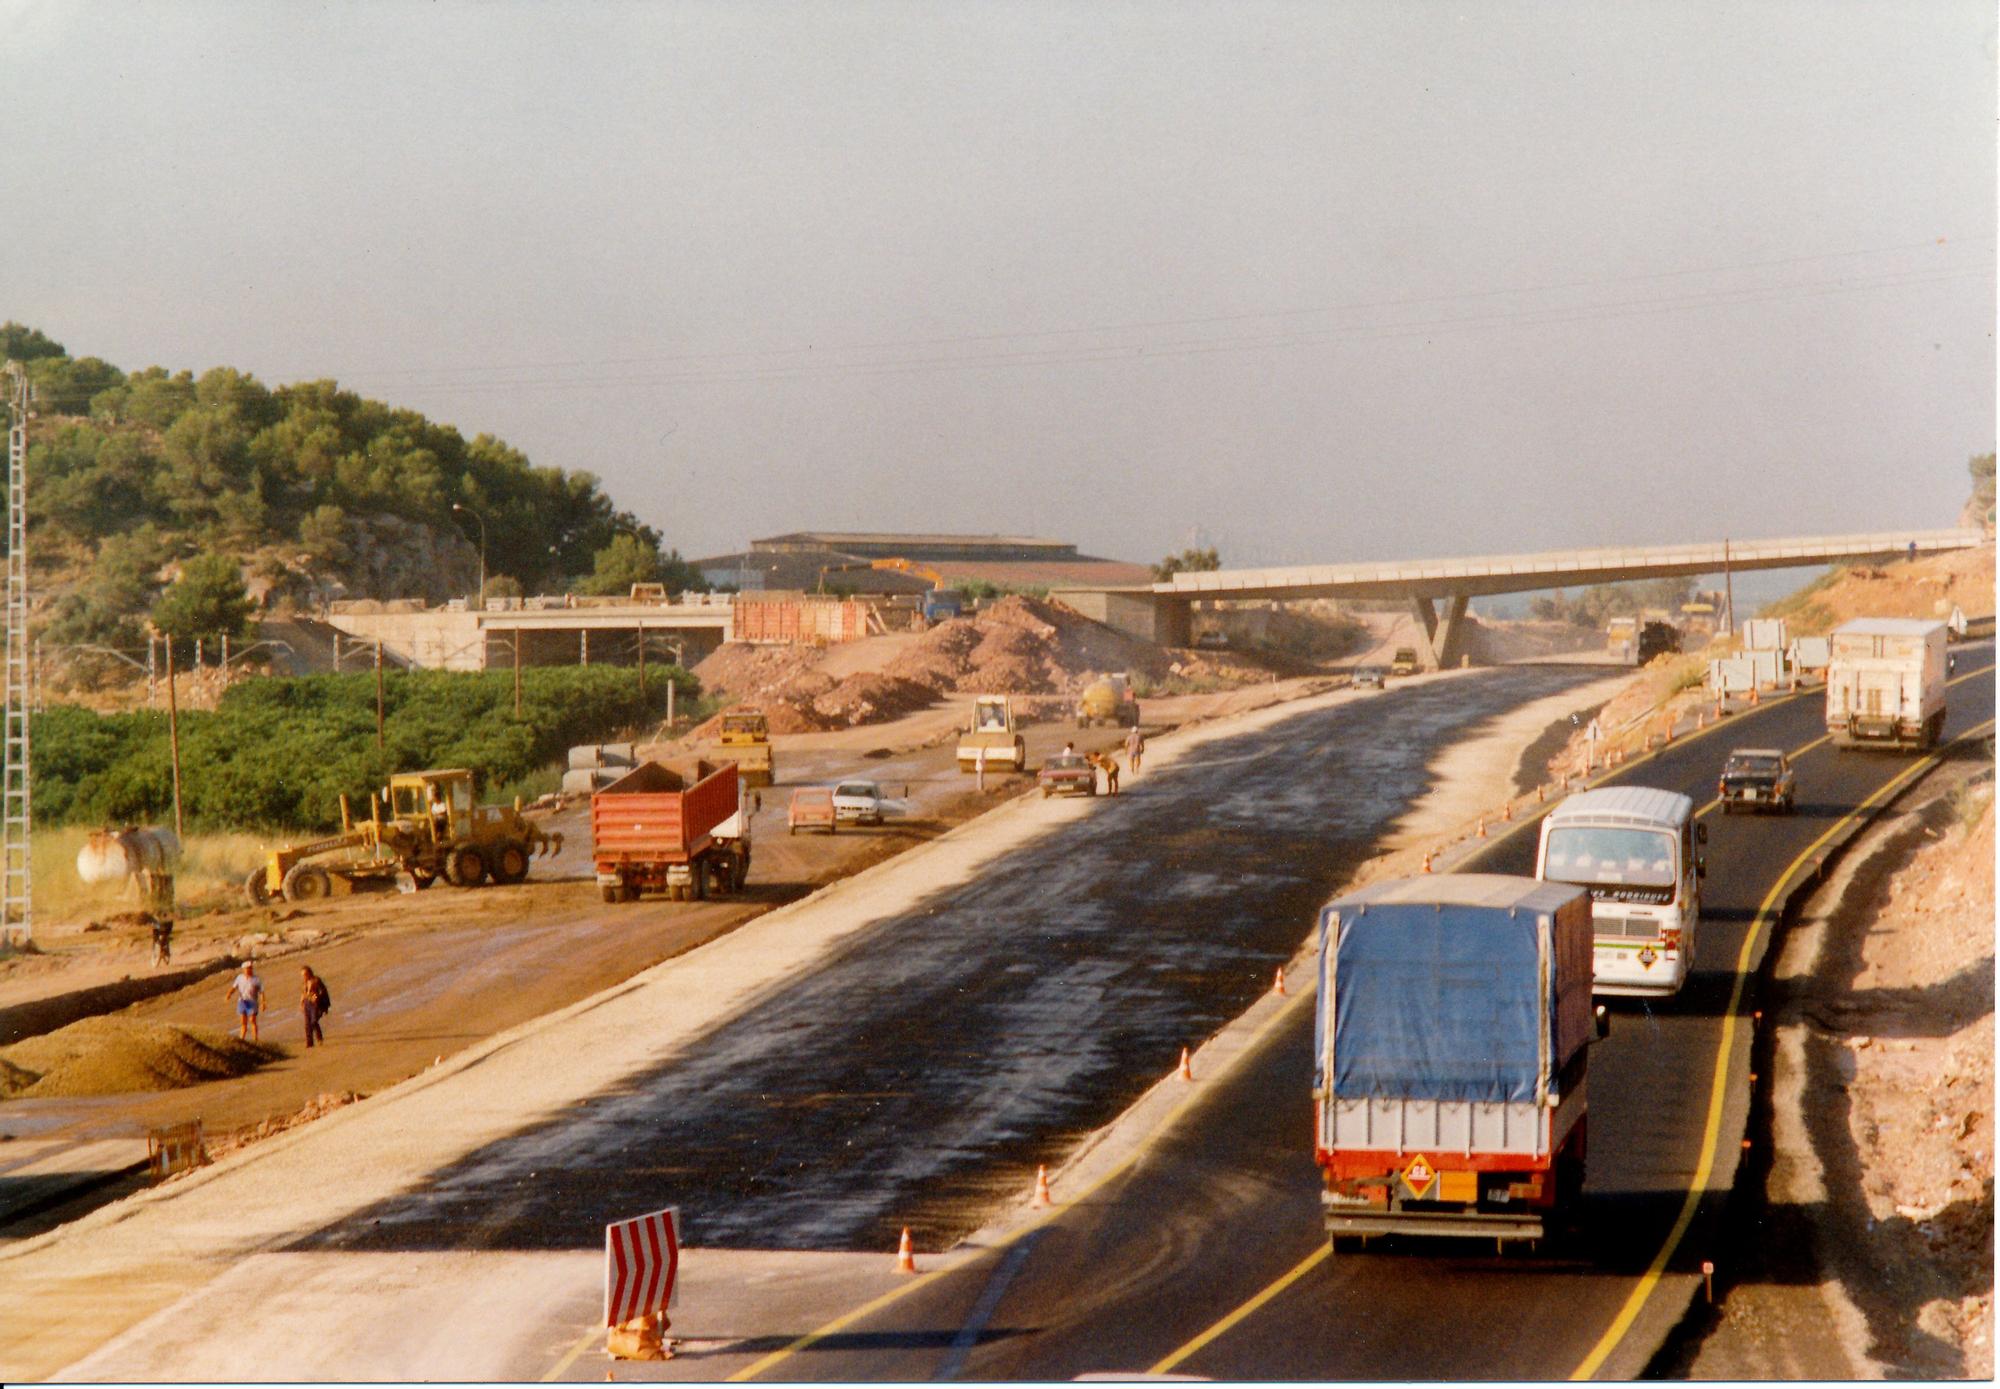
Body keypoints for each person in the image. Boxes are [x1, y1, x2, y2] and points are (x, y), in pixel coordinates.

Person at [225, 961, 264, 1042]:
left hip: (252, 1001)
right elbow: (234, 987)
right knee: (243, 1022)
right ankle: (242, 1039)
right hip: (242, 1001)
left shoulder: (256, 979)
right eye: (247, 968)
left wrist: (263, 1003)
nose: (249, 970)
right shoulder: (240, 978)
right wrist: (229, 994)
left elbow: (261, 992)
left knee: (252, 1020)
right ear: (243, 969)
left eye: (250, 968)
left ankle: (255, 1039)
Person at [300, 965, 331, 1048]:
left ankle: (319, 1037)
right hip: (307, 1003)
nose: (303, 977)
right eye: (302, 975)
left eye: (304, 974)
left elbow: (323, 991)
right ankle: (309, 1043)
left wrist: (317, 997)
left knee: (313, 1021)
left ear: (309, 973)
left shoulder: (316, 980)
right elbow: (303, 993)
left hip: (315, 1004)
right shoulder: (304, 983)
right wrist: (301, 1003)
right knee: (307, 1024)